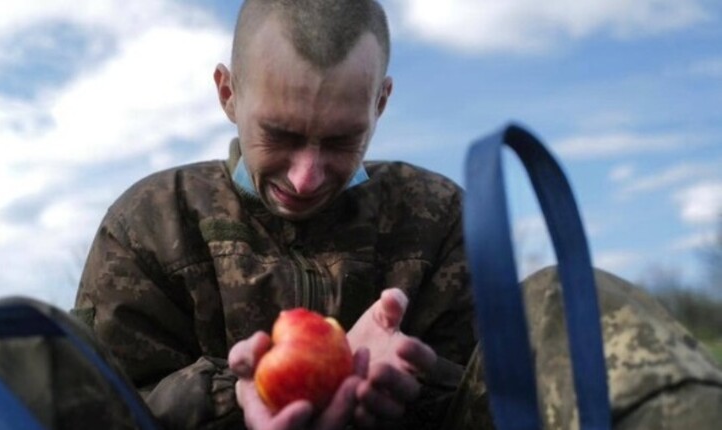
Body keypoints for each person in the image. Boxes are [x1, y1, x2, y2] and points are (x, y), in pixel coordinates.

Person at [73, 0, 475, 429]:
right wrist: (236, 397)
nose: (306, 179)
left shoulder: (442, 218)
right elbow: (95, 410)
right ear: (228, 94)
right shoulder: (149, 224)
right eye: (279, 135)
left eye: (342, 140)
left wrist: (416, 385)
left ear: (380, 102)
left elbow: (506, 398)